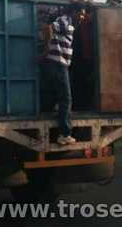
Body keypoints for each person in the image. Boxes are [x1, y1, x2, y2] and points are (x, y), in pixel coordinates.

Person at [39, 13, 77, 145]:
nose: (83, 15)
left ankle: (55, 116)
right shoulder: (67, 19)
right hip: (58, 63)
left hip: (55, 63)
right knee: (66, 98)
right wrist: (46, 49)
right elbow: (49, 28)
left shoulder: (68, 22)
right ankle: (65, 134)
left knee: (54, 95)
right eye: (82, 12)